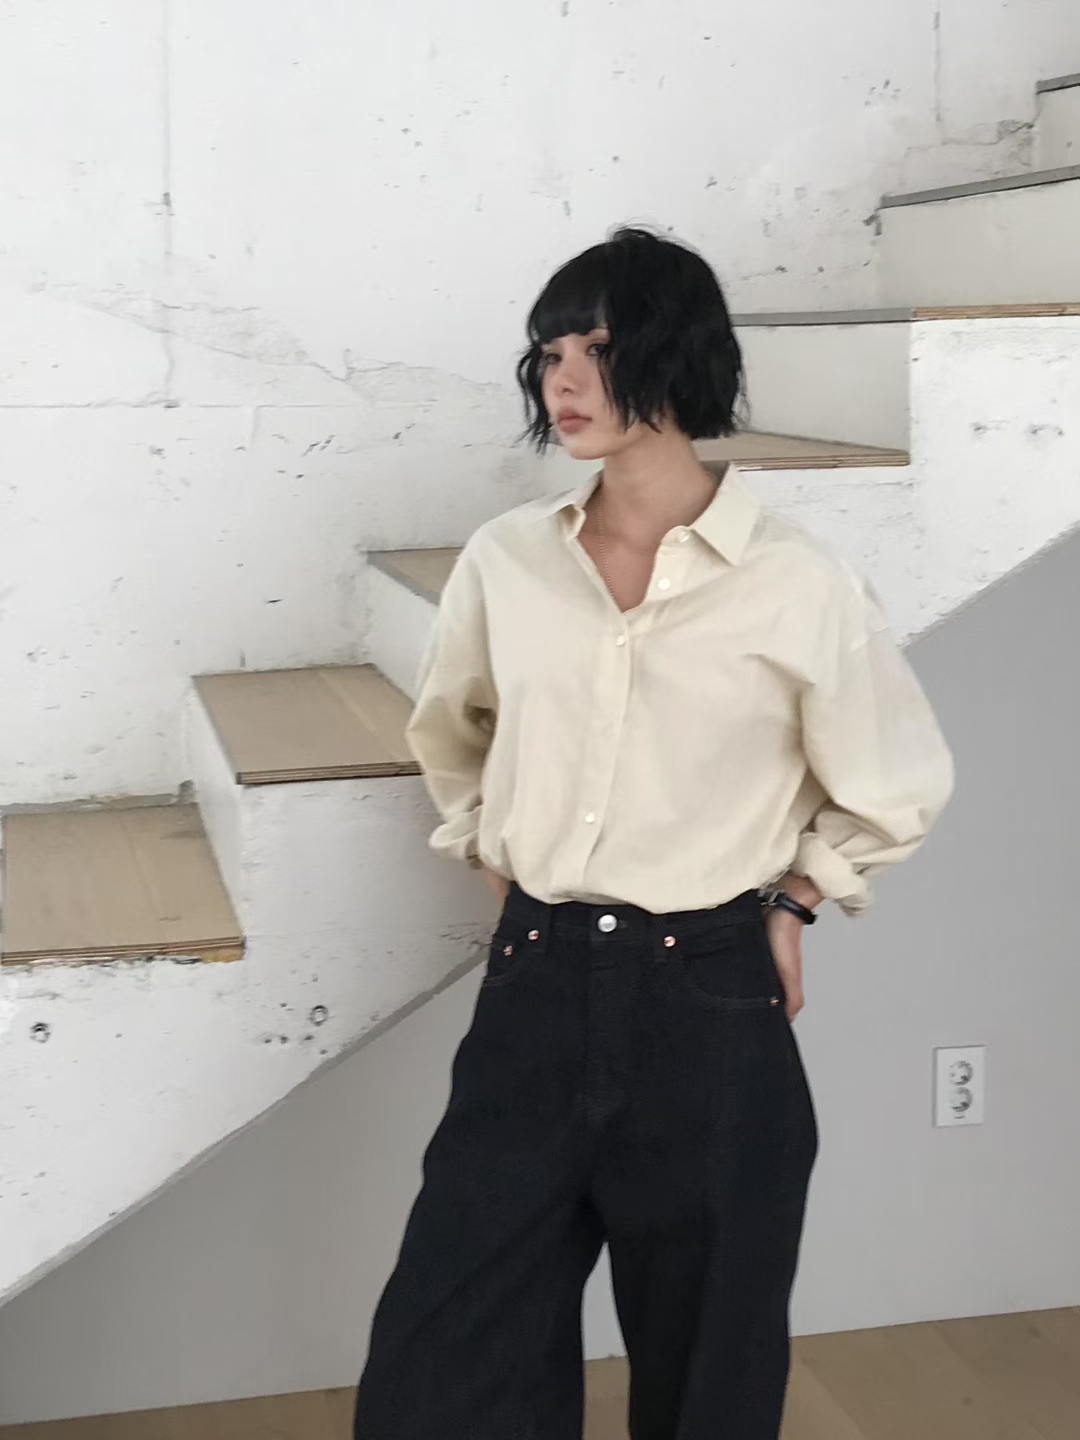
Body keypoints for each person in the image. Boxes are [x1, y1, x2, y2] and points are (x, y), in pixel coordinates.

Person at [353, 225, 954, 1439]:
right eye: (548, 354)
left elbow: (896, 780)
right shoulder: (509, 561)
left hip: (709, 1001)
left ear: (677, 357)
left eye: (596, 348)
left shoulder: (797, 581)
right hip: (536, 986)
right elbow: (452, 729)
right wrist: (494, 845)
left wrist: (796, 900)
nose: (562, 380)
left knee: (709, 1367)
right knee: (445, 1359)